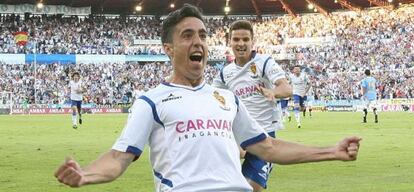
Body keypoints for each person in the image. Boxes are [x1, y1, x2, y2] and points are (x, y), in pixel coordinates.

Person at [55, 4, 362, 192]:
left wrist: (331, 151)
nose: (198, 41)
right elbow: (119, 157)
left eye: (202, 35)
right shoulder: (151, 101)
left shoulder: (225, 99)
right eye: (187, 35)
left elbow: (268, 147)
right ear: (168, 49)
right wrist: (86, 175)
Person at [212, 20, 292, 191]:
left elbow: (286, 88)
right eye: (236, 40)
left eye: (245, 39)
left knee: (252, 188)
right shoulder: (225, 73)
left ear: (252, 41)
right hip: (239, 135)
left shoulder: (264, 63)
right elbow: (211, 97)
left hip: (263, 136)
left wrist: (273, 93)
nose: (241, 44)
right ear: (230, 42)